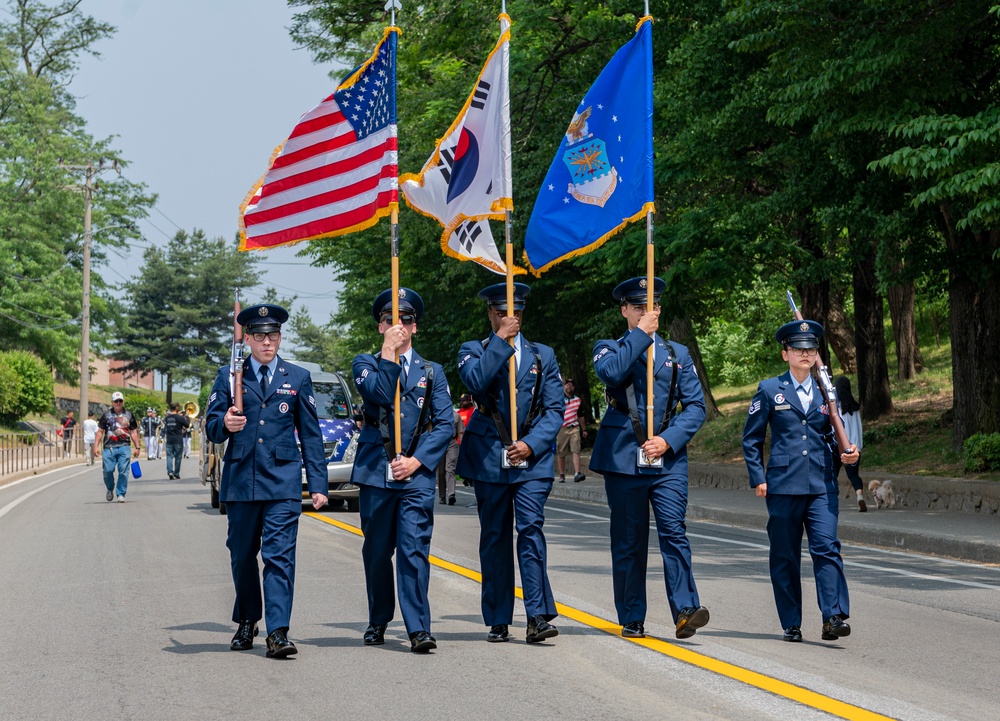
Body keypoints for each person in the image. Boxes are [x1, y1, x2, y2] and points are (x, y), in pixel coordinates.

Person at [205, 303, 328, 659]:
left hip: (282, 482)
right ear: (247, 339)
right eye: (260, 336)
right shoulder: (230, 376)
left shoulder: (297, 377)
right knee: (242, 556)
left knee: (279, 557)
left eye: (273, 335)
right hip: (242, 481)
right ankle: (247, 619)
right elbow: (212, 425)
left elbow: (311, 434)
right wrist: (225, 424)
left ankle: (278, 631)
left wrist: (317, 485)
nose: (268, 342)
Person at [590, 277, 710, 641]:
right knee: (629, 539)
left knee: (674, 531)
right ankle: (632, 615)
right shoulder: (609, 347)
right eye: (638, 306)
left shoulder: (678, 354)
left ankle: (686, 610)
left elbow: (695, 406)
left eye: (651, 306)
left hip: (667, 459)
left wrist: (668, 440)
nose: (646, 312)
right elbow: (611, 374)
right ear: (625, 310)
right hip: (624, 455)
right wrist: (640, 334)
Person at [456, 282, 564, 644]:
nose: (509, 318)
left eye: (515, 312)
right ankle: (499, 617)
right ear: (490, 314)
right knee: (495, 537)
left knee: (530, 530)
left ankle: (537, 616)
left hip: (530, 459)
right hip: (490, 456)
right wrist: (501, 341)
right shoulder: (474, 350)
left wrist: (531, 445)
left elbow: (554, 410)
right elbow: (475, 380)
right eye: (501, 312)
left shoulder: (542, 355)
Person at [742, 320, 860, 644]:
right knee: (785, 555)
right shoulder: (769, 389)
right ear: (785, 354)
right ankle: (791, 621)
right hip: (782, 484)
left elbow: (832, 433)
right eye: (798, 349)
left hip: (821, 482)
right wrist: (758, 477)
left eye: (810, 349)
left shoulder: (827, 391)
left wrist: (848, 453)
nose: (805, 354)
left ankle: (832, 616)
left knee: (827, 549)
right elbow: (751, 439)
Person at [351, 288, 453, 653]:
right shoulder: (364, 363)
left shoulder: (432, 371)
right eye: (393, 320)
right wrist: (389, 355)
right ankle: (379, 618)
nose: (401, 326)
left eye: (407, 320)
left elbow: (445, 423)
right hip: (377, 470)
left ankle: (418, 628)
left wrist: (418, 461)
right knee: (378, 552)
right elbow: (379, 394)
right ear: (381, 326)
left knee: (414, 550)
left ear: (416, 327)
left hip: (416, 474)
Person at [93, 392, 140, 502]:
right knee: (108, 471)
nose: (118, 403)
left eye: (120, 401)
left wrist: (137, 447)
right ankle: (110, 488)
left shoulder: (129, 415)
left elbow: (133, 432)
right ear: (112, 402)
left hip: (124, 446)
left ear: (123, 402)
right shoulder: (106, 415)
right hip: (109, 447)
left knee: (124, 471)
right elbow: (100, 431)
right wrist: (95, 446)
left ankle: (121, 493)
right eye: (116, 401)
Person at [833, 376, 866, 512]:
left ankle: (832, 501)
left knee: (832, 474)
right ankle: (859, 496)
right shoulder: (856, 408)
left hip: (838, 446)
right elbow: (859, 428)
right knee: (853, 475)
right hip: (853, 447)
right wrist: (858, 446)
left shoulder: (836, 410)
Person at [556, 378, 587, 483]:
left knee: (576, 450)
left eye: (571, 385)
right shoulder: (558, 399)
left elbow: (580, 415)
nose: (569, 386)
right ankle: (561, 475)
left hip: (574, 428)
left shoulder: (577, 400)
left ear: (574, 388)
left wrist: (584, 429)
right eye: (567, 384)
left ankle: (577, 473)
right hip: (562, 428)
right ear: (564, 386)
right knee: (561, 452)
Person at [436, 409, 463, 505]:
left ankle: (451, 495)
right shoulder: (437, 414)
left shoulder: (456, 416)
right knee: (441, 471)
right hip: (439, 443)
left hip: (452, 443)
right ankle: (442, 496)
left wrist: (462, 447)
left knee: (450, 469)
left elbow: (460, 432)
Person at [162, 403, 190, 480]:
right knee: (178, 457)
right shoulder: (179, 417)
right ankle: (176, 473)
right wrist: (186, 416)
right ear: (177, 407)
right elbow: (187, 425)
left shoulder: (167, 418)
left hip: (169, 439)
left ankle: (170, 471)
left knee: (169, 456)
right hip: (178, 440)